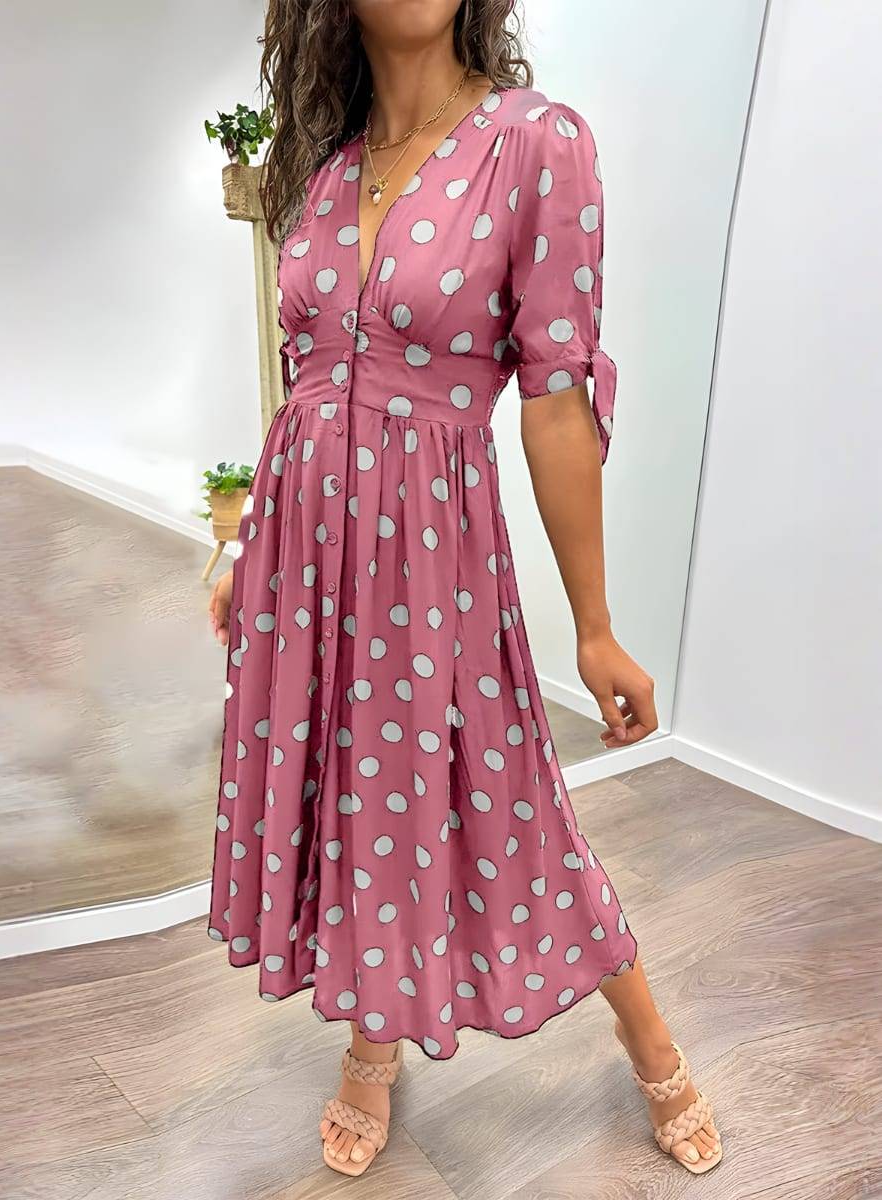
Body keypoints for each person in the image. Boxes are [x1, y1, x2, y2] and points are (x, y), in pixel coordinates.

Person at [206, 0, 722, 1181]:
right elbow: (304, 388)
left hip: (427, 559)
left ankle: (650, 1040)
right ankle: (371, 1045)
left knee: (509, 801)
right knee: (359, 807)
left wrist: (595, 625)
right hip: (301, 568)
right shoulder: (327, 170)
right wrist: (247, 546)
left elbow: (555, 397)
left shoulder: (535, 142)